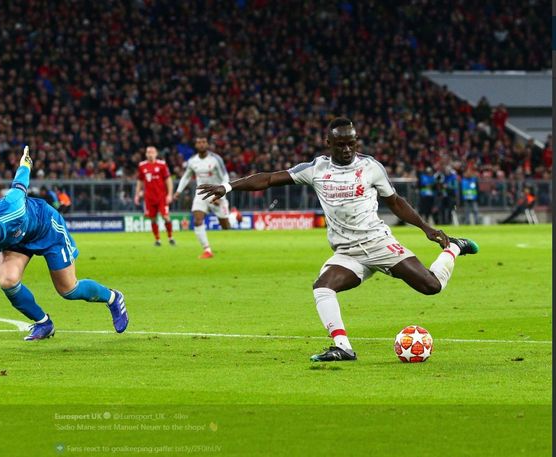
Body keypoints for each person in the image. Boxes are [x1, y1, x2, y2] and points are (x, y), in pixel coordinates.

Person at [198, 117, 479, 362]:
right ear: (328, 144)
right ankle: (342, 346)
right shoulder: (316, 169)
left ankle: (454, 248)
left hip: (378, 243)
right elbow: (270, 179)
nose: (347, 149)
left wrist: (426, 229)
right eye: (341, 144)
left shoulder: (371, 168)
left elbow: (395, 202)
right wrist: (227, 186)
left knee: (431, 286)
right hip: (347, 252)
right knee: (322, 287)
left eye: (351, 144)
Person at [0, 146, 128, 345]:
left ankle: (113, 298)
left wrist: (25, 163)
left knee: (68, 290)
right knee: (7, 280)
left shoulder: (13, 207)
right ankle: (43, 323)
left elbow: (20, 183)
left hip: (46, 227)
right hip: (18, 241)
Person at [174, 136, 237, 258]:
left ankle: (235, 216)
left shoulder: (215, 159)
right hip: (201, 194)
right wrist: (178, 191)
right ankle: (207, 250)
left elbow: (225, 176)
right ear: (196, 145)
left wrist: (221, 192)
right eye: (199, 142)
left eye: (203, 142)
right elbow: (186, 176)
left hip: (217, 193)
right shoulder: (192, 161)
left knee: (226, 226)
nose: (201, 144)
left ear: (207, 144)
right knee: (197, 220)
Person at [134, 145, 175, 246]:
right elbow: (140, 181)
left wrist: (169, 194)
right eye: (148, 152)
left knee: (165, 217)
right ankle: (157, 240)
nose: (150, 154)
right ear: (146, 154)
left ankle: (170, 237)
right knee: (152, 218)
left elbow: (168, 180)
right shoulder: (142, 166)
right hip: (149, 198)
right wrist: (137, 194)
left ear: (156, 154)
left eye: (152, 152)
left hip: (161, 196)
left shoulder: (162, 165)